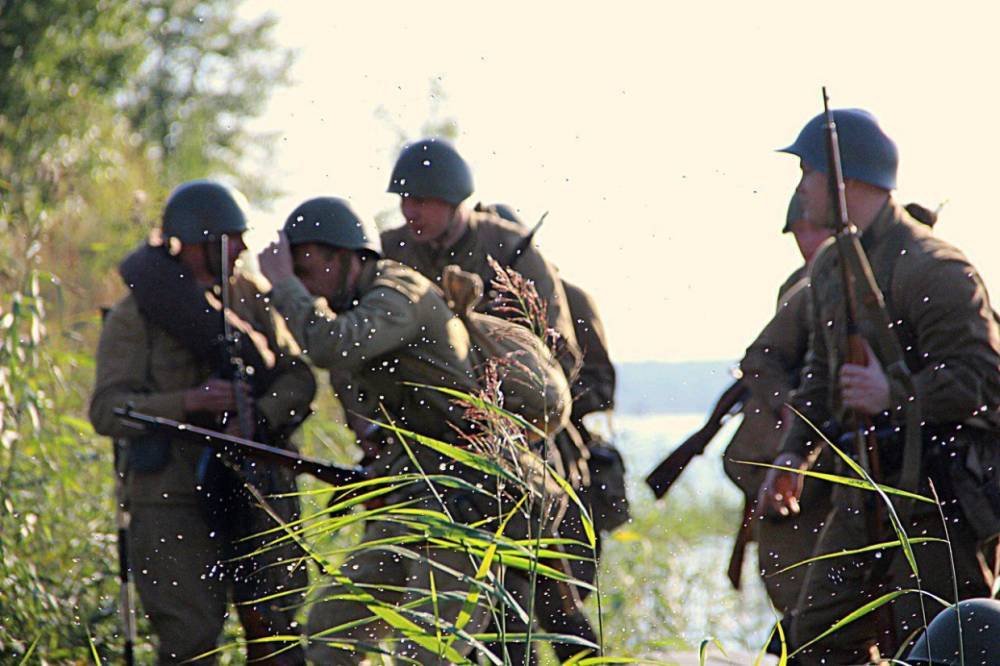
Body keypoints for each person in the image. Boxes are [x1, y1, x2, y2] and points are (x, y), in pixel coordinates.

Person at [259, 196, 556, 664]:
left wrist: (283, 288)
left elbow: (329, 344)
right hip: (419, 495)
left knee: (426, 652)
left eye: (307, 271)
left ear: (345, 257)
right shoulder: (363, 304)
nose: (301, 284)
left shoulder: (399, 294)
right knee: (330, 631)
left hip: (469, 495)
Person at [758, 108, 1000, 663]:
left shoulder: (933, 267)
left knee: (948, 645)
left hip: (941, 495)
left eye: (808, 173)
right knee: (817, 640)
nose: (802, 190)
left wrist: (895, 394)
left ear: (844, 181)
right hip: (865, 488)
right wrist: (794, 452)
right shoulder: (830, 268)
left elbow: (982, 380)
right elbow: (821, 378)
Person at [90, 180, 316, 665]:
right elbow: (107, 409)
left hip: (255, 486)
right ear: (196, 239)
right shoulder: (136, 316)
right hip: (172, 499)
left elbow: (297, 378)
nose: (243, 249)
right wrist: (189, 401)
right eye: (231, 238)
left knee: (277, 630)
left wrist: (258, 416)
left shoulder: (250, 297)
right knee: (189, 641)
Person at [724, 192, 833, 619]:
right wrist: (789, 404)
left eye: (813, 230)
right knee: (794, 585)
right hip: (793, 455)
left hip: (836, 455)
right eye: (799, 233)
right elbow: (762, 358)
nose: (806, 242)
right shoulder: (801, 287)